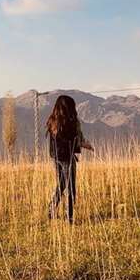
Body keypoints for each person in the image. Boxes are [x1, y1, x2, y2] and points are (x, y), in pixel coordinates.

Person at [46, 95, 93, 224]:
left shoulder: (52, 121)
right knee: (71, 188)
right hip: (67, 158)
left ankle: (51, 209)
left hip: (56, 158)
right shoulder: (70, 123)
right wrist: (86, 145)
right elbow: (76, 140)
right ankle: (69, 218)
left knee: (61, 184)